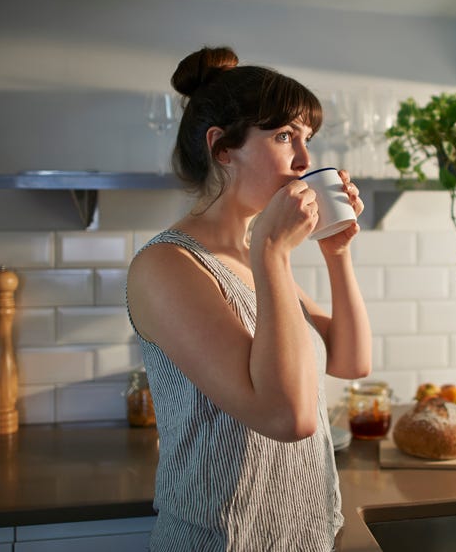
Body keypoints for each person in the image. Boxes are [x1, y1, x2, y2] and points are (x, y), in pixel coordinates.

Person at [126, 46, 372, 551]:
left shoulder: (253, 255)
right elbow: (289, 418)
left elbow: (351, 361)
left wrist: (336, 251)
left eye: (307, 139)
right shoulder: (168, 265)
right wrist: (274, 254)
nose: (306, 160)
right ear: (222, 148)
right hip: (219, 541)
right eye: (284, 137)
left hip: (300, 535)